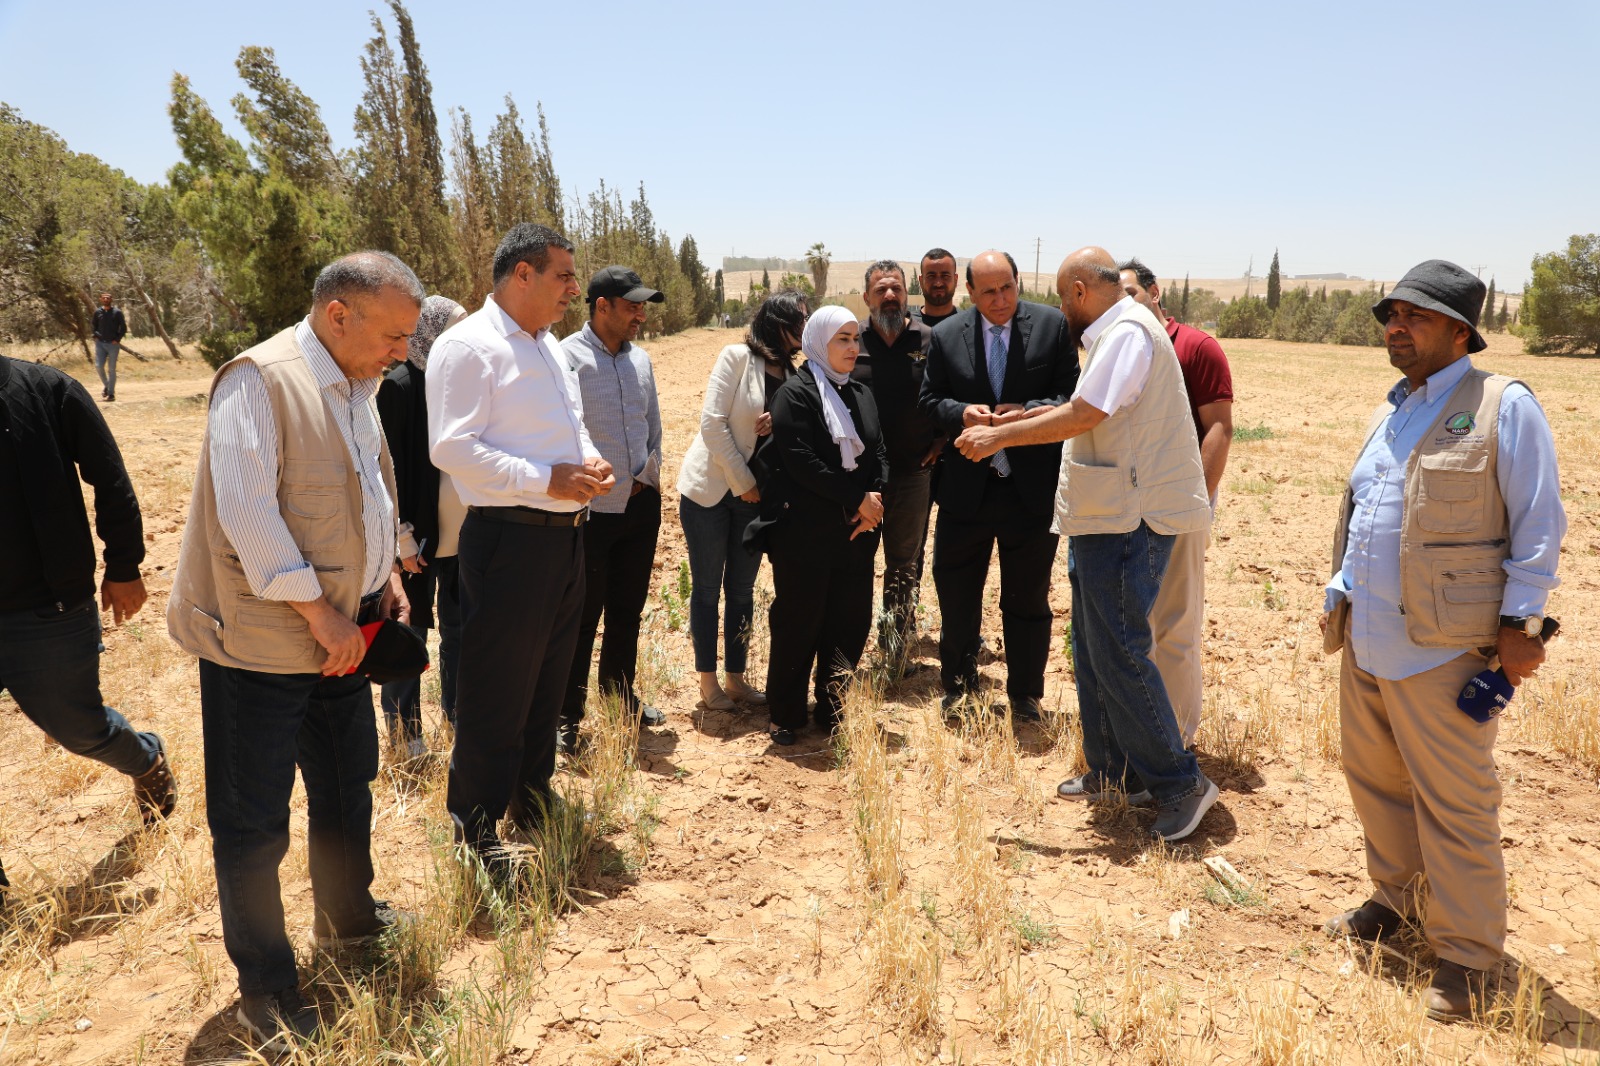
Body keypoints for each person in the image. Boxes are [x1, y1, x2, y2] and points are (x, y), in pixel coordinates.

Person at [166, 251, 422, 1047]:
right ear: (338, 314)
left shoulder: (358, 386)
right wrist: (320, 614)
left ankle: (347, 921)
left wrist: (385, 575)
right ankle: (267, 988)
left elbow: (366, 492)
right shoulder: (259, 380)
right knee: (253, 824)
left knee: (347, 787)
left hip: (342, 635)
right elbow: (248, 516)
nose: (402, 353)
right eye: (393, 335)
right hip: (263, 647)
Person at [1319, 260, 1565, 1021]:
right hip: (1369, 636)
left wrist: (1522, 628)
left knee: (1456, 803)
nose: (1396, 328)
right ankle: (1399, 900)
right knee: (1376, 781)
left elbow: (1538, 523)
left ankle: (1468, 956)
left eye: (1415, 317)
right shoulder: (1392, 408)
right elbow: (1368, 509)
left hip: (1444, 646)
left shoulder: (1502, 405)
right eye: (1391, 315)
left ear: (1461, 332)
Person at [955, 247, 1215, 841]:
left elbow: (1084, 414)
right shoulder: (1118, 333)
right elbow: (1086, 411)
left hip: (1128, 518)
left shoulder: (1126, 333)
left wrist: (1000, 439)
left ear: (1078, 290)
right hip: (1104, 515)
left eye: (1059, 297)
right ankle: (1114, 772)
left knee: (1120, 651)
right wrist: (1012, 425)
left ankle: (1181, 784)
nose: (1058, 310)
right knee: (1095, 649)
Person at [427, 223, 613, 876]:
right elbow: (452, 448)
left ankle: (530, 800)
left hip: (565, 539)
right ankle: (475, 831)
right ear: (523, 274)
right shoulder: (468, 347)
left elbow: (570, 427)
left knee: (545, 683)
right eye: (563, 275)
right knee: (495, 692)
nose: (573, 288)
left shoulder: (548, 346)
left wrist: (588, 460)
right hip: (508, 540)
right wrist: (545, 480)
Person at [0, 350, 177, 898]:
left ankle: (145, 758)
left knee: (79, 729)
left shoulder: (47, 390)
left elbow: (109, 476)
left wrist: (124, 566)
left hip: (44, 607)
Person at [918, 249, 1076, 722]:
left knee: (1027, 598)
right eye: (988, 291)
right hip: (965, 491)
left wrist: (1028, 412)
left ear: (1017, 282)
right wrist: (960, 413)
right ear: (970, 292)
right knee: (957, 596)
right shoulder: (947, 334)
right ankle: (959, 688)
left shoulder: (1052, 326)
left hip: (1030, 491)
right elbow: (929, 399)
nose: (1001, 299)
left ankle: (1025, 695)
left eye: (1007, 287)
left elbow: (1070, 396)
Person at [756, 305, 886, 744]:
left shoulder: (861, 393)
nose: (853, 347)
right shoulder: (794, 395)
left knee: (849, 623)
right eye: (842, 339)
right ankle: (785, 714)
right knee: (799, 623)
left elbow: (878, 452)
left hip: (856, 533)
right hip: (804, 534)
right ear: (817, 343)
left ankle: (833, 708)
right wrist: (857, 499)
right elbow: (802, 463)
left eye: (855, 338)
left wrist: (875, 501)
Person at [1120, 258, 1234, 745]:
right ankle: (1138, 735)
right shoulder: (1119, 347)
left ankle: (1176, 741)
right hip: (1125, 506)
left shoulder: (1196, 347)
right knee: (1132, 625)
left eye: (1130, 292)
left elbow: (1219, 428)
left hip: (1180, 504)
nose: (1124, 303)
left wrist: (1196, 503)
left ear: (1155, 292)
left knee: (1175, 624)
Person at [676, 290, 808, 712]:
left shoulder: (794, 373)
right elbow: (712, 425)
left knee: (742, 591)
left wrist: (778, 424)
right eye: (799, 320)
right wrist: (743, 482)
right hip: (711, 492)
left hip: (755, 498)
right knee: (706, 589)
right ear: (777, 323)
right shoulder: (736, 357)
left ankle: (736, 677)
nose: (805, 328)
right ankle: (707, 681)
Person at [560, 267, 669, 749]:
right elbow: (563, 431)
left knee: (628, 610)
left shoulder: (640, 360)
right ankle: (567, 715)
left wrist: (651, 475)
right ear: (601, 306)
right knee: (581, 616)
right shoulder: (566, 358)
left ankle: (620, 696)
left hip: (641, 507)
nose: (640, 315)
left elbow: (653, 425)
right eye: (632, 306)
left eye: (643, 307)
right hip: (591, 513)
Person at [376, 295, 469, 760]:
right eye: (454, 331)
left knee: (459, 634)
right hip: (415, 541)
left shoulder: (460, 385)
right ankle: (404, 734)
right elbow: (383, 473)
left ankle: (457, 722)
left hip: (461, 537)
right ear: (429, 333)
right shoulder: (399, 387)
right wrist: (401, 538)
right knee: (409, 633)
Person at [852, 260, 943, 671]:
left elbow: (951, 392)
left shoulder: (930, 339)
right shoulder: (850, 339)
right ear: (867, 297)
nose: (890, 295)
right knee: (854, 562)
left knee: (904, 564)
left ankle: (894, 651)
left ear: (908, 294)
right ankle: (848, 647)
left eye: (897, 289)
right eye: (881, 289)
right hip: (859, 480)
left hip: (912, 473)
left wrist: (943, 438)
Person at [91, 292, 127, 401]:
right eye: (104, 298)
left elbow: (123, 327)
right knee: (98, 366)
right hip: (100, 344)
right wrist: (95, 336)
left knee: (111, 369)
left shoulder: (117, 312)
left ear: (111, 299)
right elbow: (93, 325)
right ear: (101, 299)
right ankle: (107, 386)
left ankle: (111, 394)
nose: (106, 299)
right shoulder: (98, 312)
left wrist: (117, 339)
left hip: (113, 344)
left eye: (108, 298)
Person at [913, 249, 961, 329]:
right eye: (931, 276)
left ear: (955, 280)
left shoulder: (971, 326)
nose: (938, 283)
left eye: (945, 276)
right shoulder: (905, 327)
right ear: (921, 281)